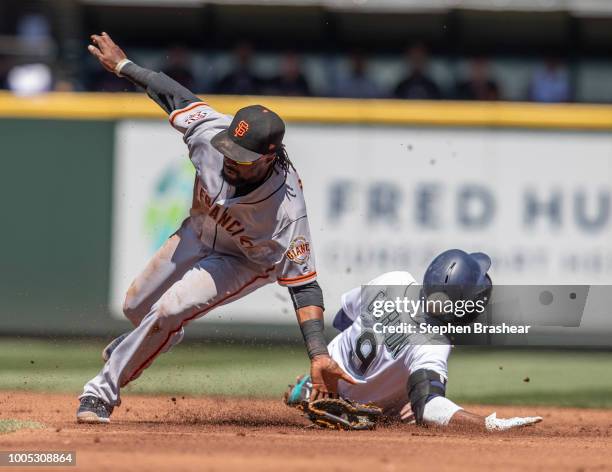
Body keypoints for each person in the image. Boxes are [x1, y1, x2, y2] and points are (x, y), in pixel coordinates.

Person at [77, 32, 355, 423]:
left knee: (171, 308)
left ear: (268, 157)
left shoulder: (286, 207)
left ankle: (99, 393)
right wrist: (124, 67)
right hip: (198, 230)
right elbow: (172, 93)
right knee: (136, 307)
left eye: (242, 157)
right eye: (230, 148)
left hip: (244, 260)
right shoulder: (212, 133)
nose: (230, 158)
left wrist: (318, 353)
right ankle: (155, 336)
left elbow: (305, 284)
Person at [285, 249, 543, 431]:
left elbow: (344, 318)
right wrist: (486, 424)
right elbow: (430, 407)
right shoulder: (433, 343)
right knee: (416, 406)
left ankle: (313, 388)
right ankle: (347, 405)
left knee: (403, 382)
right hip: (358, 403)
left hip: (324, 370)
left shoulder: (393, 279)